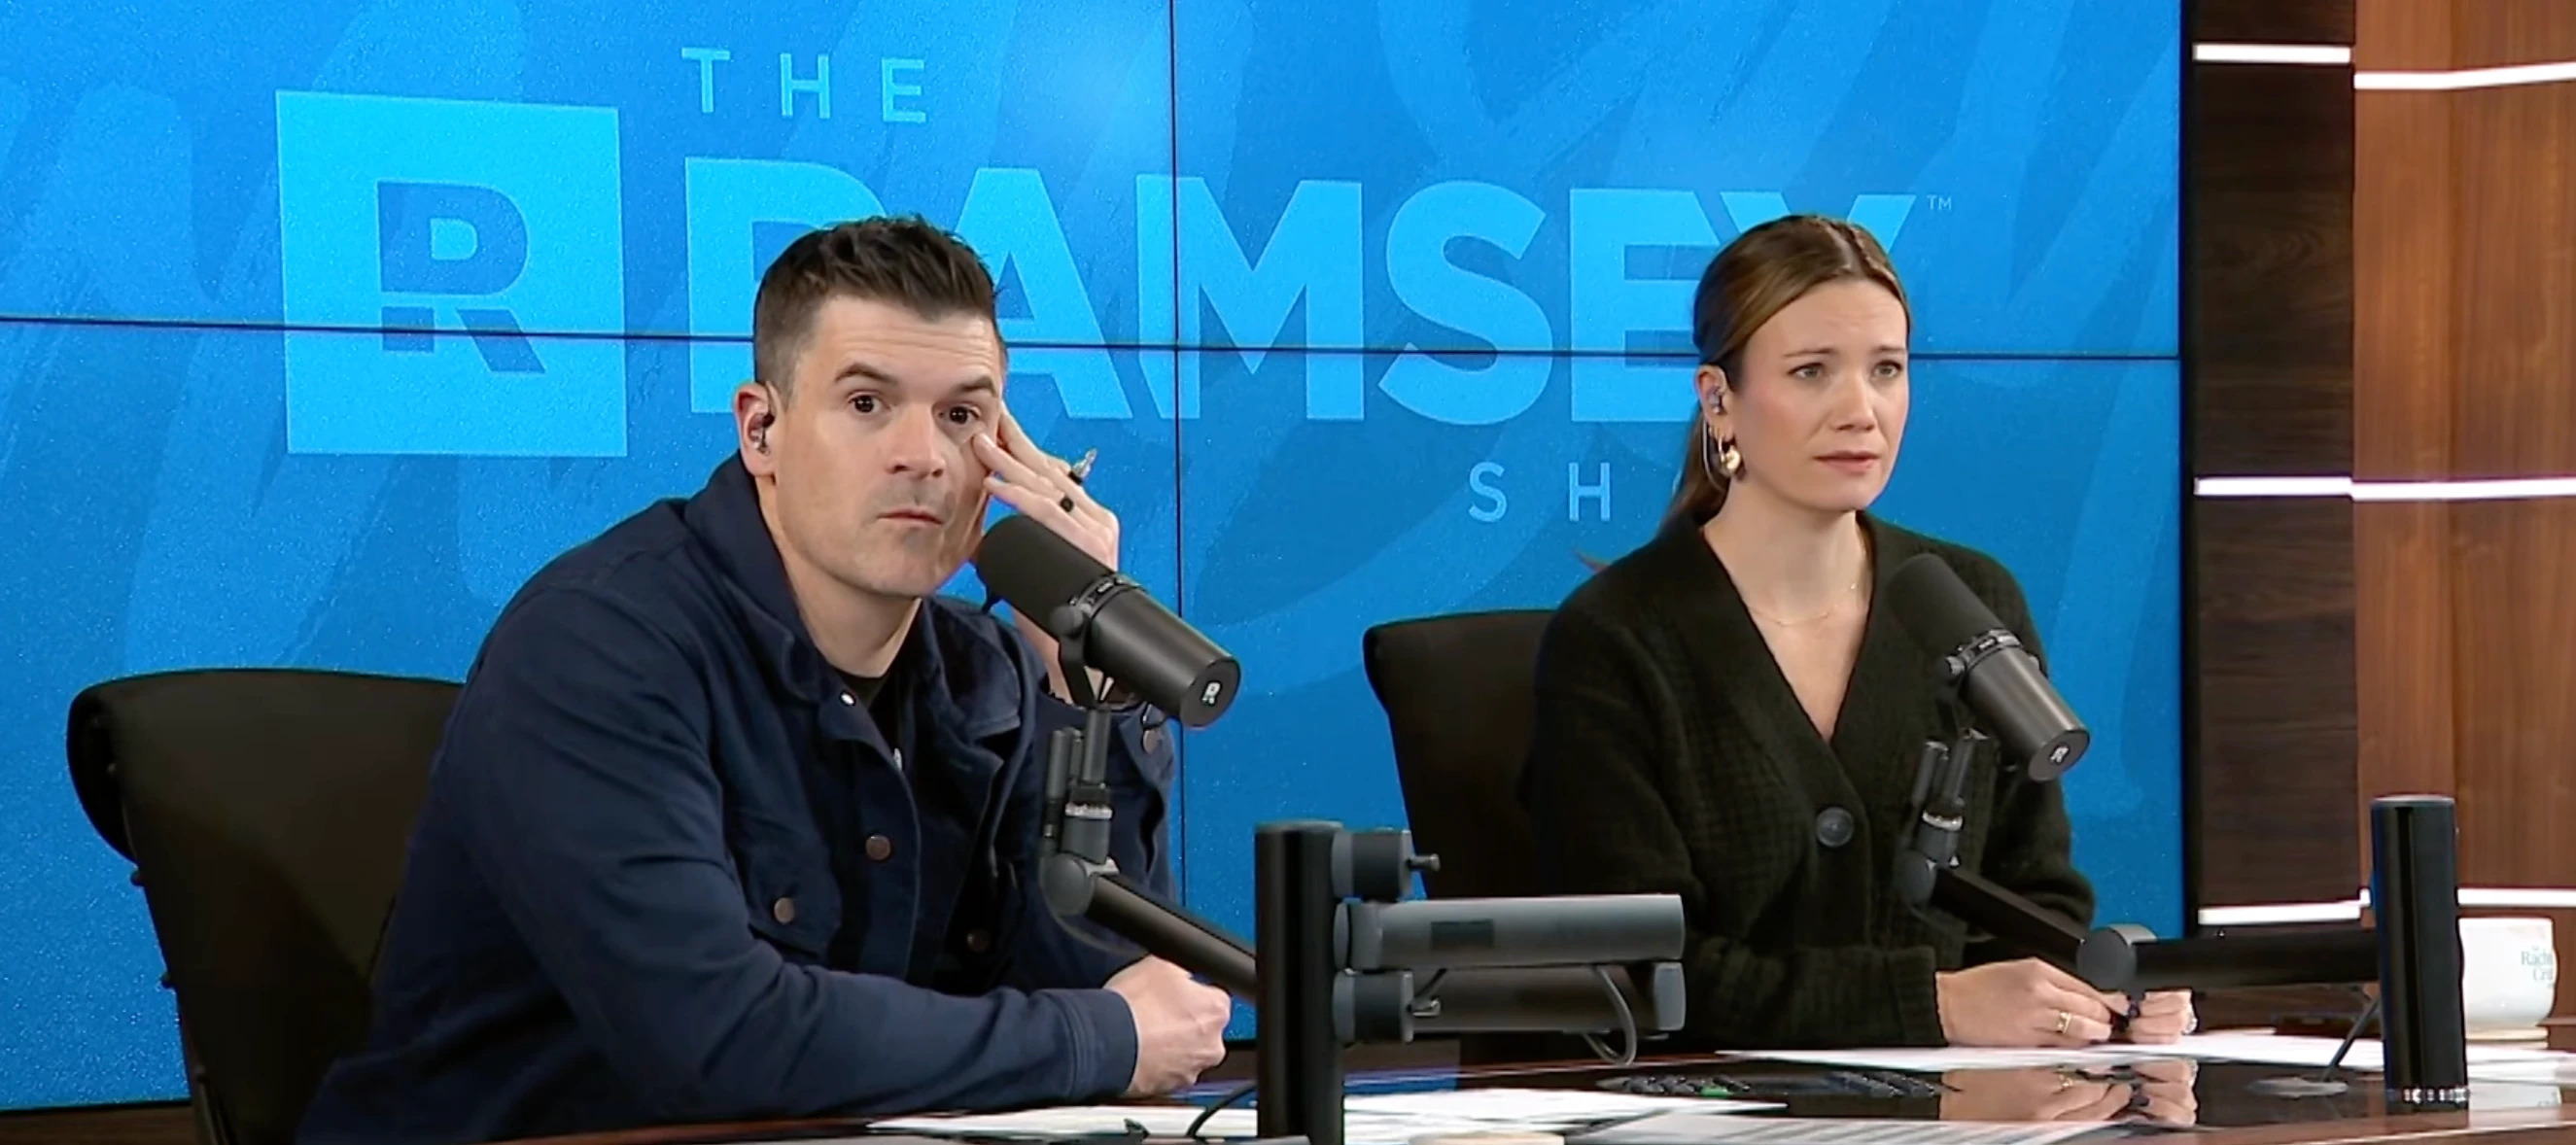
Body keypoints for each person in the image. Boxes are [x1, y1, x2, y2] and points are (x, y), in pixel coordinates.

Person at [298, 217, 1232, 1145]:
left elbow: (1108, 981)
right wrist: (1096, 1036)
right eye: (867, 404)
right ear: (761, 430)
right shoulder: (598, 646)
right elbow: (715, 1039)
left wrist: (1080, 683)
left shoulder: (986, 669)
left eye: (962, 416)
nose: (926, 456)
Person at [1519, 214, 2194, 1051]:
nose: (1860, 411)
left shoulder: (1973, 599)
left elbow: (2036, 902)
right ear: (1719, 400)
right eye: (1811, 372)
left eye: (1886, 370)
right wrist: (1933, 1006)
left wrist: (2096, 991)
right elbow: (1639, 973)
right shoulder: (1617, 637)